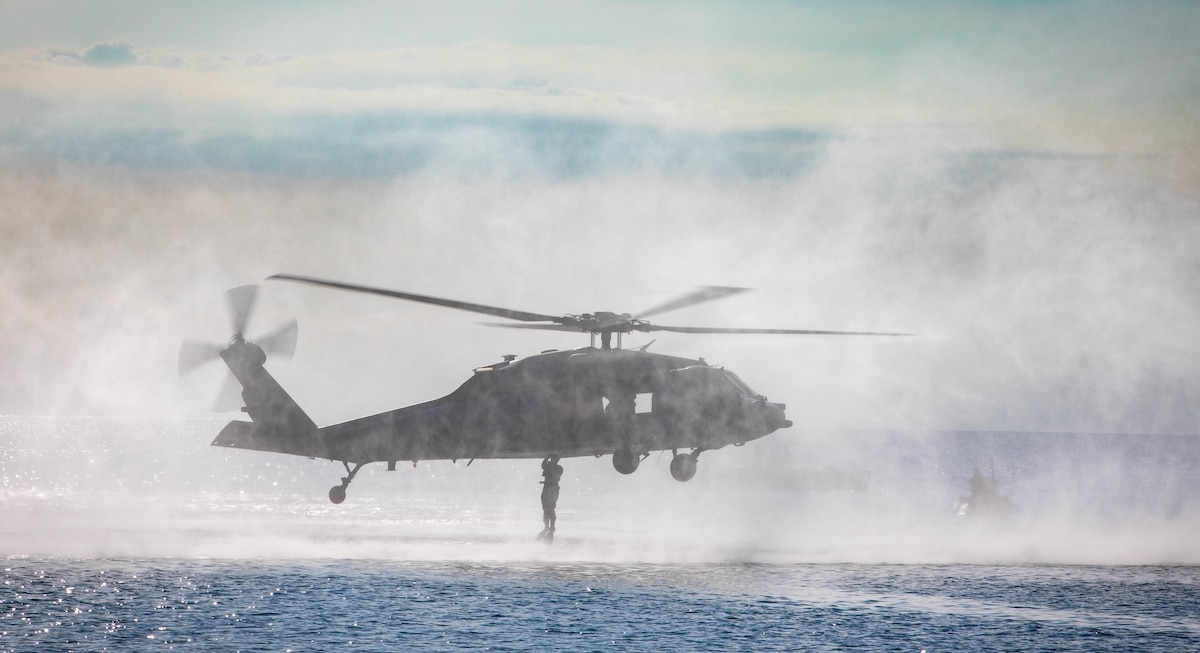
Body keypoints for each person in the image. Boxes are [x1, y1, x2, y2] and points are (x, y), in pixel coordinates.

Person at [538, 454, 563, 542]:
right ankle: (546, 526)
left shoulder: (559, 468)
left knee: (551, 508)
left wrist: (551, 466)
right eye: (552, 459)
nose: (552, 461)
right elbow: (542, 466)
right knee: (545, 508)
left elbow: (556, 477)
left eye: (554, 460)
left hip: (553, 489)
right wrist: (546, 457)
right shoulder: (548, 466)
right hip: (546, 488)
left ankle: (552, 527)